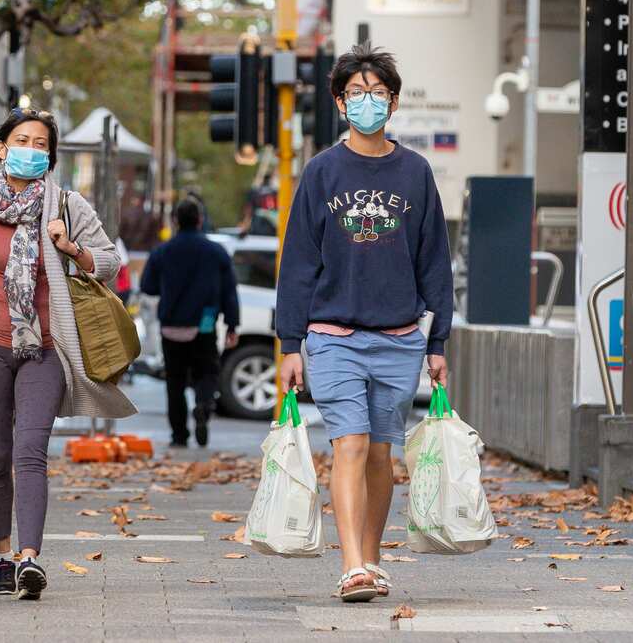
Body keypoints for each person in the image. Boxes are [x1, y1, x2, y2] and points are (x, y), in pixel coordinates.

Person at [0, 107, 136, 601]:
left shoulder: (65, 206)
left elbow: (109, 263)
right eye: (23, 140)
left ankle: (29, 559)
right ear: (1, 147)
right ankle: (1, 555)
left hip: (44, 349)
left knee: (30, 452)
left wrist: (70, 247)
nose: (32, 150)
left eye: (42, 145)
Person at [274, 44, 452, 604]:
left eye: (377, 93)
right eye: (356, 93)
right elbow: (299, 261)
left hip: (399, 339)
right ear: (339, 102)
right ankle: (351, 566)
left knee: (381, 453)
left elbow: (434, 260)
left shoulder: (416, 172)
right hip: (333, 338)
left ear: (393, 103)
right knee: (348, 443)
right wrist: (290, 343)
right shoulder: (322, 172)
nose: (367, 102)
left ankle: (371, 561)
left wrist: (438, 340)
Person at [139, 198, 240, 447]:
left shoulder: (162, 252)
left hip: (171, 325)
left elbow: (147, 286)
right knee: (207, 371)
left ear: (175, 221)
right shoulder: (216, 252)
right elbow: (229, 291)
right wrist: (232, 324)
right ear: (200, 220)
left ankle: (179, 435)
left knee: (175, 382)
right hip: (204, 323)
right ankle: (204, 405)